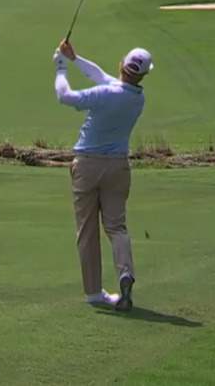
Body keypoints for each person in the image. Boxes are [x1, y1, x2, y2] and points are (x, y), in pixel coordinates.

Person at [53, 38, 152, 312]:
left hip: (87, 166)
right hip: (118, 168)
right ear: (144, 75)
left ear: (122, 64)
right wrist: (75, 58)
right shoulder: (137, 98)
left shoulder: (106, 94)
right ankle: (125, 273)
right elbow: (100, 76)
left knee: (87, 231)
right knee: (116, 227)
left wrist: (61, 67)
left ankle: (94, 293)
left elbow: (65, 96)